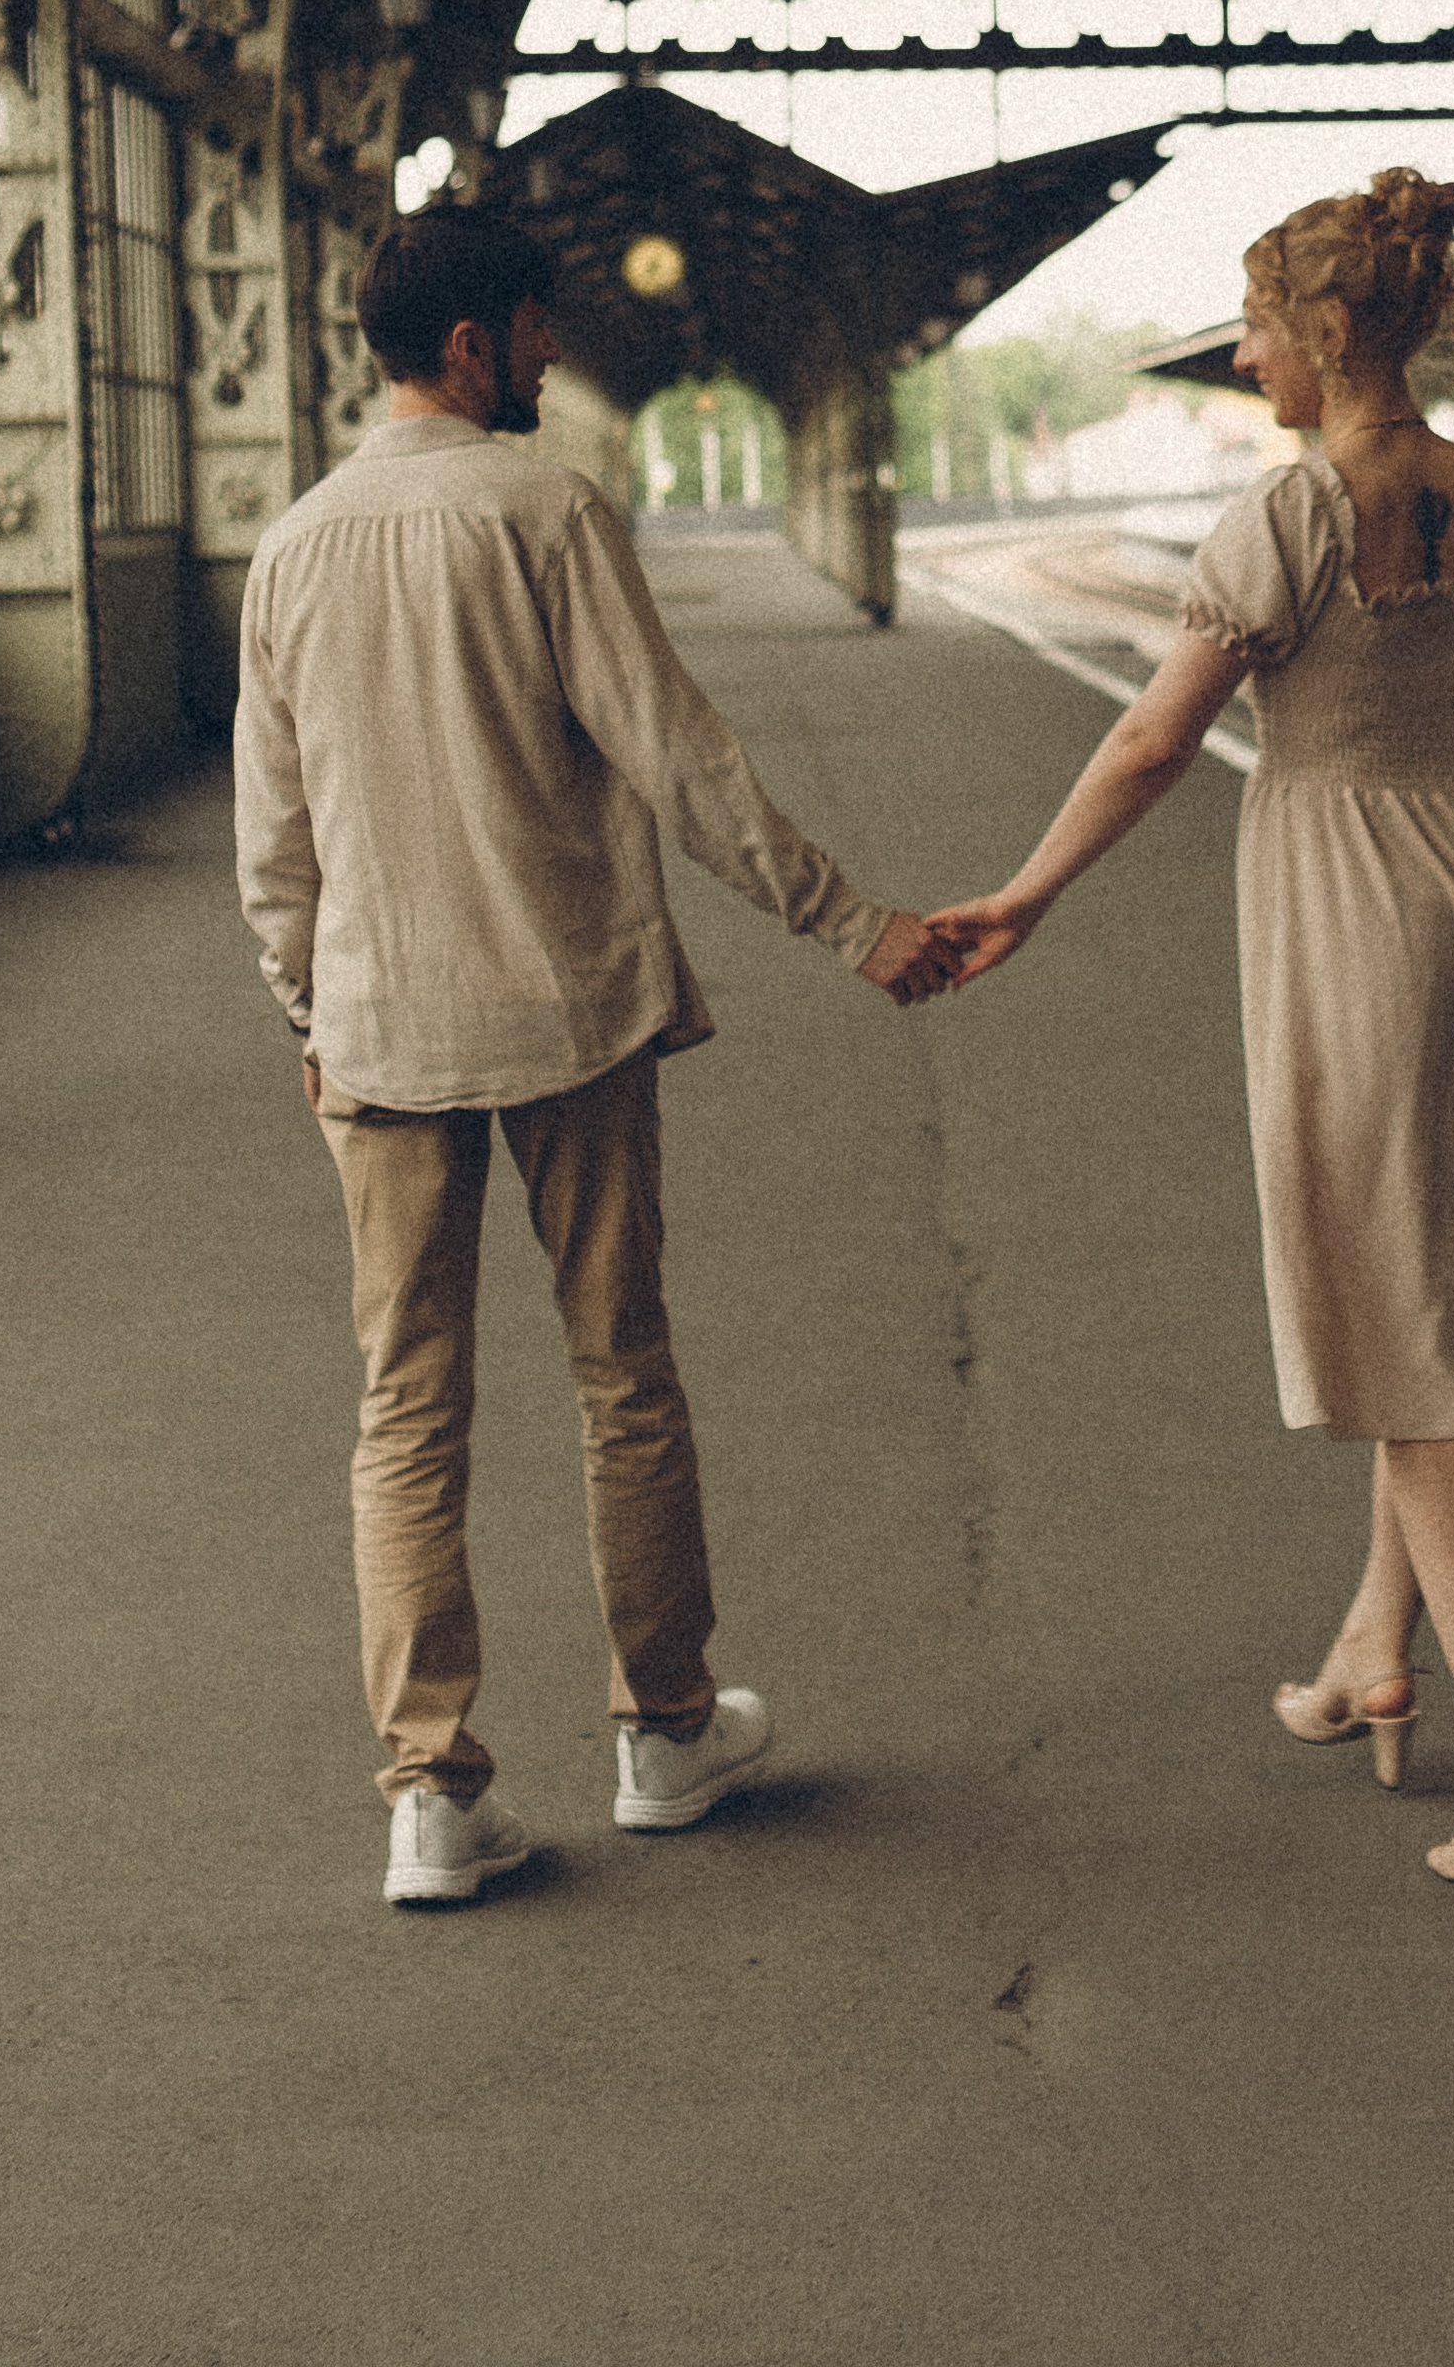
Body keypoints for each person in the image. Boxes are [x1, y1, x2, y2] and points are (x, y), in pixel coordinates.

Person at [234, 205, 955, 1906]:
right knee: (619, 1372)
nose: (555, 355)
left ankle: (429, 1794)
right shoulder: (545, 510)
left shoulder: (294, 547)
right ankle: (663, 1735)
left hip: (382, 1032)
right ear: (474, 345)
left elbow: (276, 850)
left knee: (405, 1411)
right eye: (537, 331)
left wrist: (307, 1013)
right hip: (567, 1012)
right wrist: (854, 925)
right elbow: (680, 760)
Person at [931, 172, 1454, 1896]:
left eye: (1263, 324)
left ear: (1329, 334)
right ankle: (1377, 1650)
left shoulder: (1289, 516)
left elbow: (1151, 745)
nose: (1243, 351)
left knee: (1407, 1333)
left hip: (1355, 904)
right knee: (1426, 1288)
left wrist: (1027, 893)